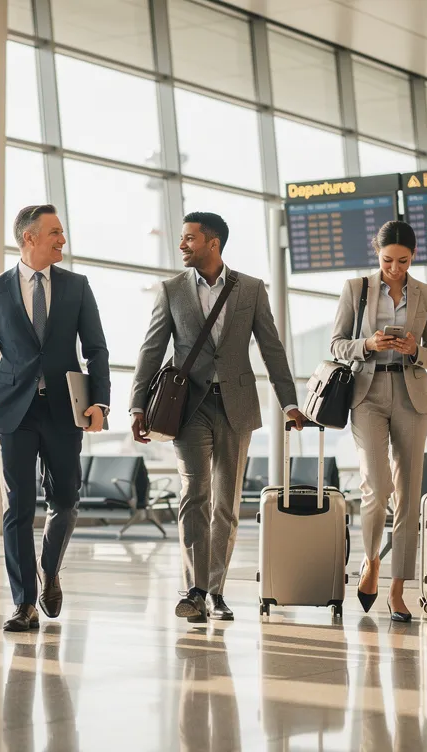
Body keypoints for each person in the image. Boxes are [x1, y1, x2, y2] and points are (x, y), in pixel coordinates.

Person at [0, 204, 109, 633]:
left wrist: (99, 403)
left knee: (66, 499)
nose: (62, 240)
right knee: (17, 506)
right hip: (13, 409)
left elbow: (96, 349)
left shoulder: (76, 286)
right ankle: (23, 604)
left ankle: (49, 570)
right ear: (29, 237)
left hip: (64, 410)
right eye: (54, 232)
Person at [131, 211, 301, 624]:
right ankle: (195, 588)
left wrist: (289, 401)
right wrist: (138, 404)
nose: (182, 245)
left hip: (236, 406)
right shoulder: (172, 290)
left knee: (225, 504)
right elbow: (152, 349)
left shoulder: (251, 289)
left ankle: (215, 590)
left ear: (213, 243)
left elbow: (272, 349)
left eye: (189, 238)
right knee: (194, 496)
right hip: (187, 407)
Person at [328, 220, 427, 623]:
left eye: (403, 261)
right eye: (387, 260)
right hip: (368, 394)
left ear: (414, 257)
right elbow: (337, 343)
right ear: (377, 254)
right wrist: (368, 344)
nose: (394, 268)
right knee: (377, 485)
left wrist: (415, 350)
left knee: (409, 496)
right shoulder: (356, 289)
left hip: (412, 396)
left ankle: (398, 590)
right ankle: (372, 560)